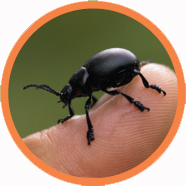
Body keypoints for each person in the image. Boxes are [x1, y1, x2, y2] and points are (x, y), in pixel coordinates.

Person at [23, 63, 178, 178]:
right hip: (118, 68)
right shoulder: (85, 81)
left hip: (126, 66)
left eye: (68, 95)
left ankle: (140, 94)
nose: (67, 99)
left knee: (119, 88)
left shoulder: (90, 80)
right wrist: (70, 115)